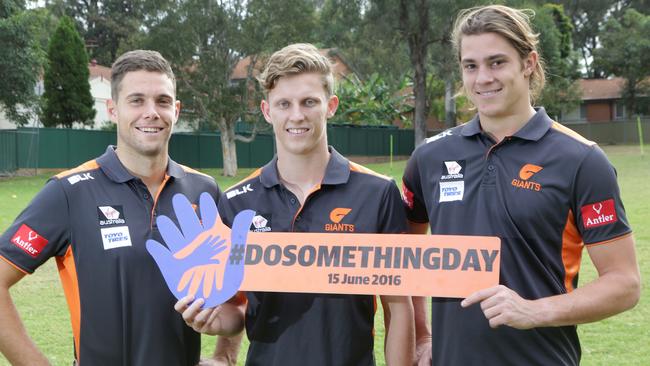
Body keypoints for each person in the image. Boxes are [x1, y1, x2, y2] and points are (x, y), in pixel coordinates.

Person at [402, 5, 641, 365]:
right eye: (471, 65)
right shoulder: (430, 158)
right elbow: (404, 254)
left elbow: (624, 284)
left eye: (497, 62)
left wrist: (533, 311)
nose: (482, 78)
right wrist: (423, 335)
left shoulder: (581, 160)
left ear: (528, 63)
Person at [176, 43, 415, 366]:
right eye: (284, 104)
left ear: (330, 106)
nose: (296, 115)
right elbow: (235, 305)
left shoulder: (377, 192)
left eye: (309, 102)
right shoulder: (237, 202)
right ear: (266, 110)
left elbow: (398, 304)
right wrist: (217, 320)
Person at [0, 50, 223, 365]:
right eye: (136, 101)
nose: (151, 112)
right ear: (112, 109)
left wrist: (225, 354)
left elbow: (241, 282)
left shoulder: (204, 190)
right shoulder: (68, 192)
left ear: (176, 110)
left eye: (162, 101)